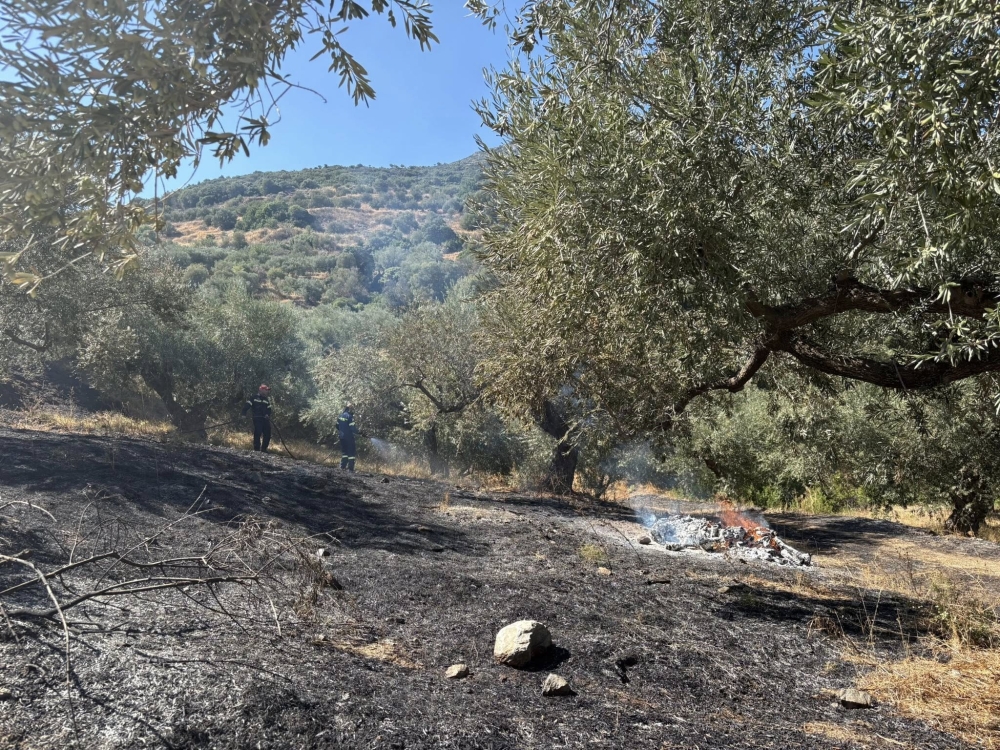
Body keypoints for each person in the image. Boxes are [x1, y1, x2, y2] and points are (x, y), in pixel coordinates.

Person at [242, 384, 272, 452]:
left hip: (265, 419)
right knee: (258, 432)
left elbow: (269, 409)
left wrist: (268, 414)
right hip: (257, 418)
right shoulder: (254, 398)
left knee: (268, 433)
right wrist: (243, 414)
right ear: (261, 390)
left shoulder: (266, 400)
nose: (267, 391)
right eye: (266, 390)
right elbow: (247, 405)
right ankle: (257, 448)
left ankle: (264, 449)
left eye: (267, 390)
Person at [337, 402, 359, 471]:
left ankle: (342, 467)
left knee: (344, 452)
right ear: (350, 409)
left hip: (342, 437)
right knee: (351, 453)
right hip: (349, 437)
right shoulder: (349, 417)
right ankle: (350, 469)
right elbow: (353, 429)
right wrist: (360, 432)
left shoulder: (341, 415)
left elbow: (337, 426)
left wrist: (342, 430)